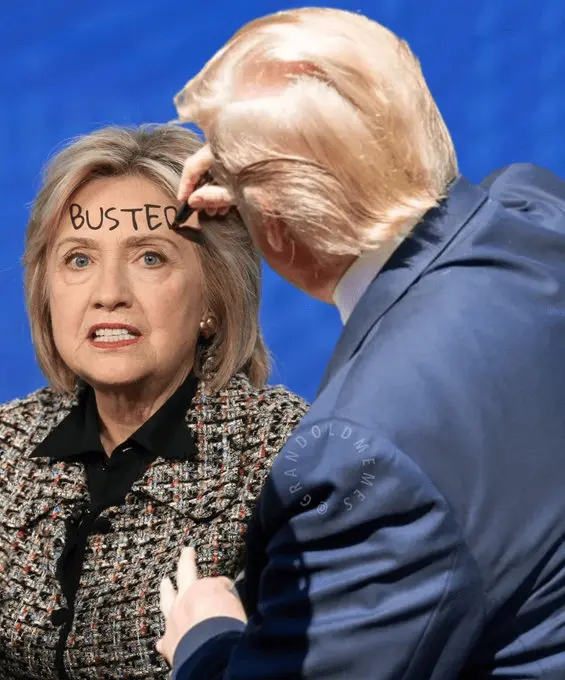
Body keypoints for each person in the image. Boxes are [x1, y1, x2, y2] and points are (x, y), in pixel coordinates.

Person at [158, 7, 565, 680]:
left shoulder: (362, 460)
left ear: (277, 227)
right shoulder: (537, 212)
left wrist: (205, 640)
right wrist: (260, 173)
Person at [0, 123, 307, 680]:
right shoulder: (6, 442)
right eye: (78, 260)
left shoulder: (287, 455)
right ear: (45, 292)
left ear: (214, 297)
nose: (108, 294)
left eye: (149, 258)